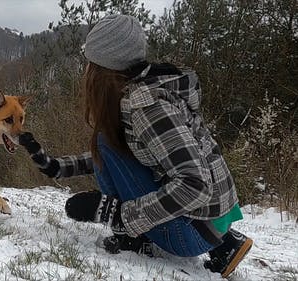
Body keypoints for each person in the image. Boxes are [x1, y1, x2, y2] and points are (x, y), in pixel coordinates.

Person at [19, 14, 253, 278]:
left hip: (192, 233)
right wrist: (58, 167)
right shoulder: (150, 87)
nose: (85, 71)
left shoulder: (147, 107)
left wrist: (116, 214)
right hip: (214, 221)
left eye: (89, 62)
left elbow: (195, 184)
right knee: (107, 141)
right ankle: (223, 244)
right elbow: (132, 155)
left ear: (103, 67)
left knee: (104, 140)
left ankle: (132, 237)